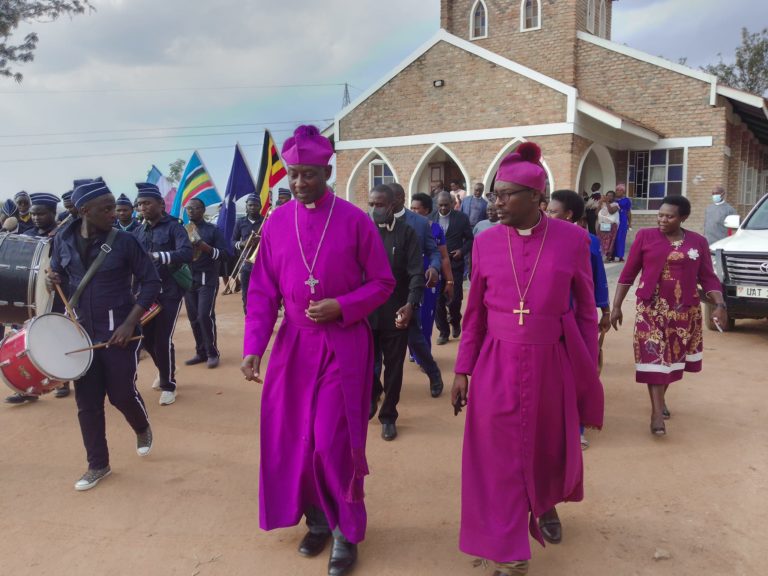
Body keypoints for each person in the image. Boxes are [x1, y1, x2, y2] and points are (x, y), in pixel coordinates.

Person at [240, 125, 395, 576]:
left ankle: (347, 530)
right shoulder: (276, 222)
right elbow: (262, 291)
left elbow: (383, 283)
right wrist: (254, 346)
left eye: (309, 174)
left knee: (333, 440)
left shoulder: (354, 220)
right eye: (294, 174)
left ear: (327, 171)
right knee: (296, 438)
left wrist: (343, 306)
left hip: (343, 346)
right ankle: (319, 520)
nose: (300, 182)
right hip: (294, 346)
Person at [451, 142, 603, 576]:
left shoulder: (574, 239)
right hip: (495, 363)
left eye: (506, 195)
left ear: (537, 198)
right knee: (496, 457)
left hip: (550, 361)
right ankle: (510, 552)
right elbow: (474, 312)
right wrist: (463, 368)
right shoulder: (485, 242)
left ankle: (544, 503)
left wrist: (585, 372)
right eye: (495, 194)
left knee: (544, 447)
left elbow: (587, 312)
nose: (495, 202)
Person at [48, 179, 161, 491]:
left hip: (118, 332)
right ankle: (98, 464)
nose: (114, 213)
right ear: (85, 211)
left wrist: (129, 323)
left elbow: (151, 283)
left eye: (114, 207)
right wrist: (52, 279)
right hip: (81, 333)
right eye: (106, 208)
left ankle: (141, 426)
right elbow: (56, 274)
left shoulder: (125, 241)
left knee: (121, 394)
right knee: (87, 402)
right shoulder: (63, 239)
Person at [610, 195, 725, 436]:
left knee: (671, 359)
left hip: (684, 311)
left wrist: (719, 304)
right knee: (654, 356)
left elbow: (708, 276)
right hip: (650, 309)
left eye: (669, 216)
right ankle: (656, 413)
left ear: (683, 218)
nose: (662, 220)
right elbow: (628, 273)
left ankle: (660, 400)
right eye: (660, 215)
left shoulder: (698, 242)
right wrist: (617, 306)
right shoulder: (645, 237)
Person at [547, 189, 611, 449]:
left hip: (574, 318)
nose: (547, 215)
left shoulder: (587, 240)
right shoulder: (543, 238)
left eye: (553, 211)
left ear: (568, 214)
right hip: (549, 318)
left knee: (577, 370)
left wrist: (604, 310)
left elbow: (597, 278)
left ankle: (577, 427)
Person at [367, 185, 424, 440]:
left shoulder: (407, 233)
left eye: (379, 204)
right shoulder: (363, 232)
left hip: (396, 313)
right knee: (366, 365)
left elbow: (416, 273)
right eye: (372, 204)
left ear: (392, 206)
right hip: (365, 314)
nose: (374, 209)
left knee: (394, 368)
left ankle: (388, 415)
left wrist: (411, 304)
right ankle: (372, 396)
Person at [5, 192, 70, 404]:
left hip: (57, 295)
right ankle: (28, 388)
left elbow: (70, 264)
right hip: (30, 296)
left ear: (53, 213)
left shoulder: (63, 237)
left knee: (55, 337)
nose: (35, 218)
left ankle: (63, 381)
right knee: (28, 342)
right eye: (33, 214)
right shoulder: (27, 234)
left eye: (40, 214)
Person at [133, 183, 193, 406]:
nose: (143, 208)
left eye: (147, 203)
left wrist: (158, 256)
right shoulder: (139, 230)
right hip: (146, 294)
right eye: (139, 204)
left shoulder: (174, 227)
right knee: (147, 339)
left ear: (160, 204)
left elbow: (186, 253)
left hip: (170, 291)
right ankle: (166, 368)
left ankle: (169, 385)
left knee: (162, 339)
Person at [390, 183, 445, 398]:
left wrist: (433, 267)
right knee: (378, 343)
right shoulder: (373, 220)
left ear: (401, 198)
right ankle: (376, 393)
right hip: (382, 291)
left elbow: (434, 252)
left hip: (410, 288)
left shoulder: (421, 223)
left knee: (415, 337)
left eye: (390, 199)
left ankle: (433, 374)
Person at [410, 192, 455, 368]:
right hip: (410, 277)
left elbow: (444, 257)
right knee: (411, 314)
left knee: (426, 316)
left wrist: (449, 281)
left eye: (416, 208)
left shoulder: (435, 229)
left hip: (430, 278)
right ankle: (414, 349)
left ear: (427, 210)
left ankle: (424, 355)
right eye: (411, 207)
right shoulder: (405, 226)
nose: (412, 211)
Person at [183, 197, 227, 369]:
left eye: (195, 208)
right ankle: (200, 352)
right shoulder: (182, 230)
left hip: (207, 278)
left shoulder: (213, 230)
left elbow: (224, 254)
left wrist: (204, 246)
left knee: (204, 315)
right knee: (194, 318)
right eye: (188, 208)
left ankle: (212, 353)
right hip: (188, 279)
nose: (191, 211)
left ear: (202, 210)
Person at [431, 191, 473, 345]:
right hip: (436, 265)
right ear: (437, 204)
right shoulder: (430, 219)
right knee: (438, 301)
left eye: (446, 205)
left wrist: (462, 251)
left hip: (455, 264)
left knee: (455, 300)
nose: (443, 208)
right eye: (440, 205)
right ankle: (443, 331)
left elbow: (470, 239)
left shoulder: (461, 218)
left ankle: (455, 321)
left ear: (452, 203)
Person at [232, 194, 264, 314]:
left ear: (260, 207)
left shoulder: (265, 221)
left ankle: (261, 318)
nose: (252, 207)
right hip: (246, 262)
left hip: (262, 264)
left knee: (262, 293)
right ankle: (249, 317)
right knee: (246, 293)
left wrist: (261, 241)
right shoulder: (240, 222)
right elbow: (232, 241)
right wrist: (243, 244)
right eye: (250, 205)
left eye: (255, 205)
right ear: (246, 206)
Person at [597, 191, 620, 261]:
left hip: (612, 225)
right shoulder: (603, 204)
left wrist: (606, 202)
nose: (609, 197)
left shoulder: (616, 205)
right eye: (608, 195)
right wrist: (600, 203)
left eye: (611, 196)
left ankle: (608, 257)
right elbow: (596, 213)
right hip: (603, 224)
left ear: (614, 197)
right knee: (601, 240)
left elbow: (611, 211)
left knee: (610, 241)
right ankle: (601, 256)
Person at [613, 184, 632, 261]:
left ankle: (620, 256)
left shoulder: (627, 200)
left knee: (621, 237)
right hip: (613, 219)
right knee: (613, 237)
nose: (617, 191)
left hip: (623, 220)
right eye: (617, 190)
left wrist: (629, 222)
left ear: (623, 191)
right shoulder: (613, 199)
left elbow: (629, 212)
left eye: (620, 190)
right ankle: (612, 255)